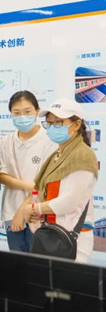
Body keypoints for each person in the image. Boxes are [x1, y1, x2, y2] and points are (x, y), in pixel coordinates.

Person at [12, 99, 98, 262]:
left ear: (76, 124)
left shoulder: (82, 155)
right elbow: (44, 193)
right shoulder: (57, 155)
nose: (52, 127)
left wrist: (32, 208)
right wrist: (36, 214)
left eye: (58, 122)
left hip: (71, 239)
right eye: (49, 123)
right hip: (50, 236)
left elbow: (68, 202)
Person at [0, 91, 57, 252]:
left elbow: (47, 180)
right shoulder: (7, 141)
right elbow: (2, 175)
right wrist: (30, 186)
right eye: (16, 113)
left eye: (27, 111)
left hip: (38, 212)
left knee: (37, 261)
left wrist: (24, 208)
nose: (22, 117)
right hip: (11, 211)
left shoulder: (50, 140)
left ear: (37, 111)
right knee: (17, 261)